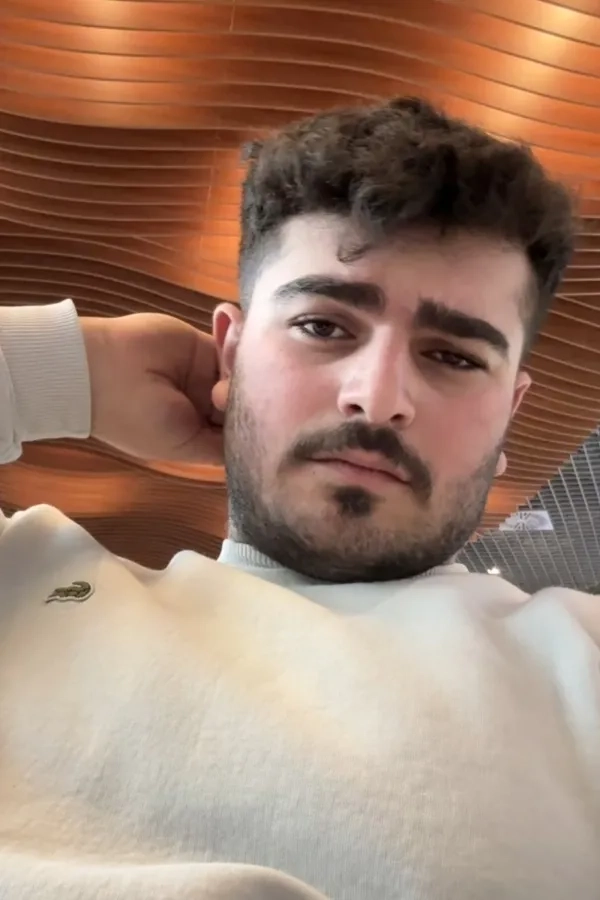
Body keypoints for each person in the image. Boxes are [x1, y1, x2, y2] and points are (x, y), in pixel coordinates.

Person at [0, 97, 598, 900]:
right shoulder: (25, 579)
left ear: (510, 415)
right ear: (231, 353)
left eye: (455, 357)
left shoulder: (583, 657)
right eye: (323, 326)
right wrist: (59, 369)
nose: (377, 398)